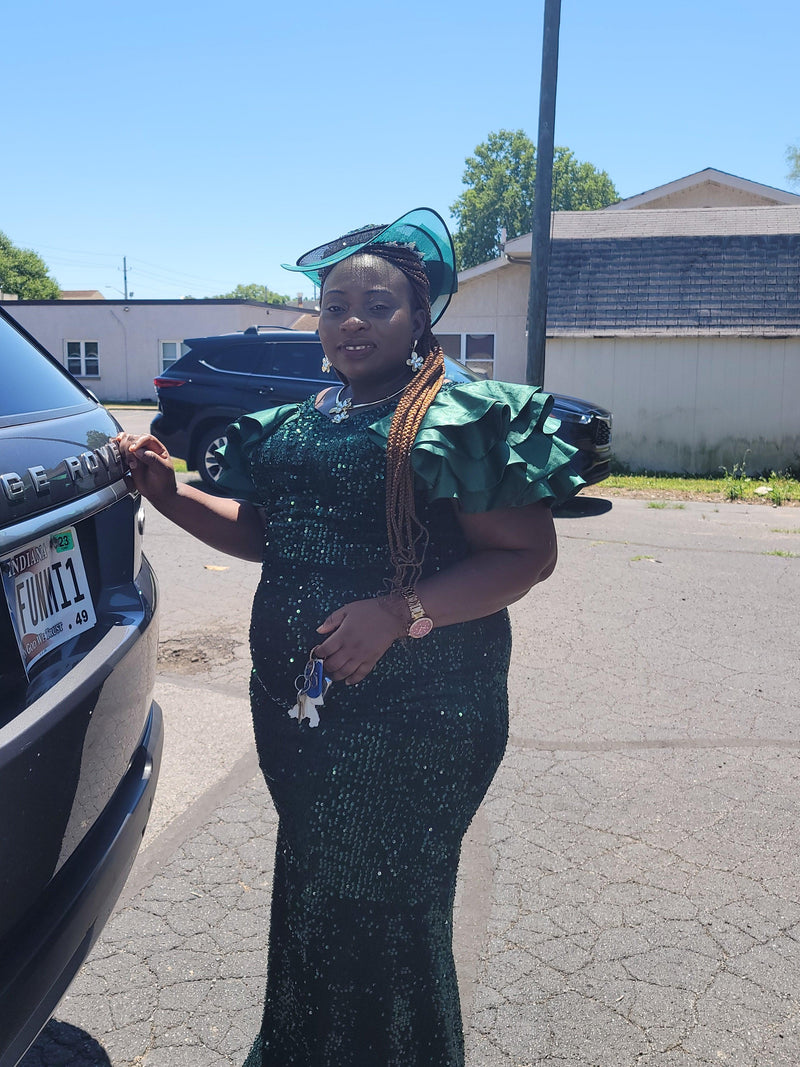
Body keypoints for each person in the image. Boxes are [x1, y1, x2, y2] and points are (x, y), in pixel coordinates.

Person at [116, 208, 583, 1067]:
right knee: (319, 890)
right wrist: (169, 493)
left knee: (385, 901)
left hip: (420, 713)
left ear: (420, 317)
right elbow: (261, 532)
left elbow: (526, 556)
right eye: (335, 305)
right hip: (302, 715)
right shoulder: (303, 422)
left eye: (377, 304)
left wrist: (397, 614)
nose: (352, 321)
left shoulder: (457, 417)